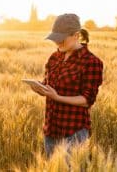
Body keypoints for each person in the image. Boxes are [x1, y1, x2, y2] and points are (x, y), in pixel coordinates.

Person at [30, 13, 104, 159]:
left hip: (73, 132)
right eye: (55, 38)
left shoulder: (91, 62)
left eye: (61, 39)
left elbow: (86, 100)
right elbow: (48, 84)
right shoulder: (54, 57)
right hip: (51, 130)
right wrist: (40, 88)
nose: (57, 43)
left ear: (76, 35)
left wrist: (57, 97)